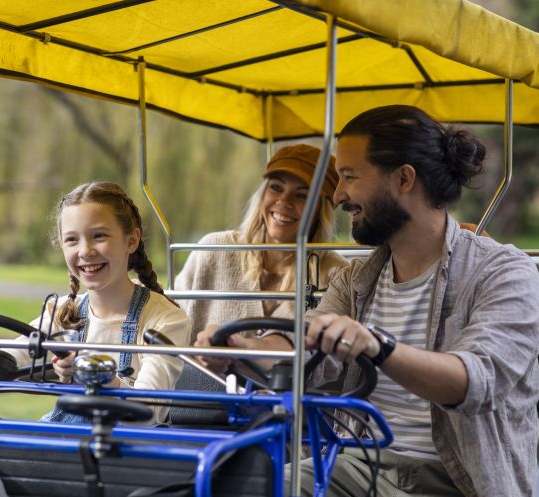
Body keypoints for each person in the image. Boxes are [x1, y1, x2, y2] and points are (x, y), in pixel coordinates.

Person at [287, 105, 539, 496]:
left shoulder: (506, 272)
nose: (338, 195)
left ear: (404, 179)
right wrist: (243, 348)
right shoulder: (355, 279)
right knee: (256, 480)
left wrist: (376, 345)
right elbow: (304, 350)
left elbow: (475, 381)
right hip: (358, 464)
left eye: (350, 177)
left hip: (459, 478)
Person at [0, 181, 191, 424]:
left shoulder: (165, 320)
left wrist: (96, 376)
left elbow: (149, 411)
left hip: (136, 455)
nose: (85, 251)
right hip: (65, 444)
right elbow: (5, 362)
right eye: (72, 240)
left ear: (131, 240)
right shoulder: (61, 313)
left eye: (99, 236)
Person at [176, 144, 348, 350]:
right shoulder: (214, 250)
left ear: (322, 210)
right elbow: (171, 320)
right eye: (276, 187)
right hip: (202, 381)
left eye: (302, 195)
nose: (284, 201)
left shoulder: (336, 275)